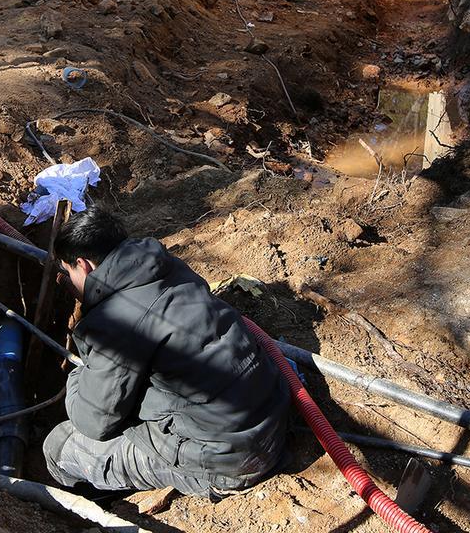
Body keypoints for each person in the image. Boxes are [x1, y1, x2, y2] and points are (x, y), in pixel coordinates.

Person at [43, 207, 290, 497]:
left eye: (67, 272)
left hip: (227, 461)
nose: (68, 282)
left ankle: (106, 501)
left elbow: (93, 421)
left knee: (59, 446)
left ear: (84, 265)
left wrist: (79, 375)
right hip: (272, 421)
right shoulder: (167, 266)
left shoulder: (114, 324)